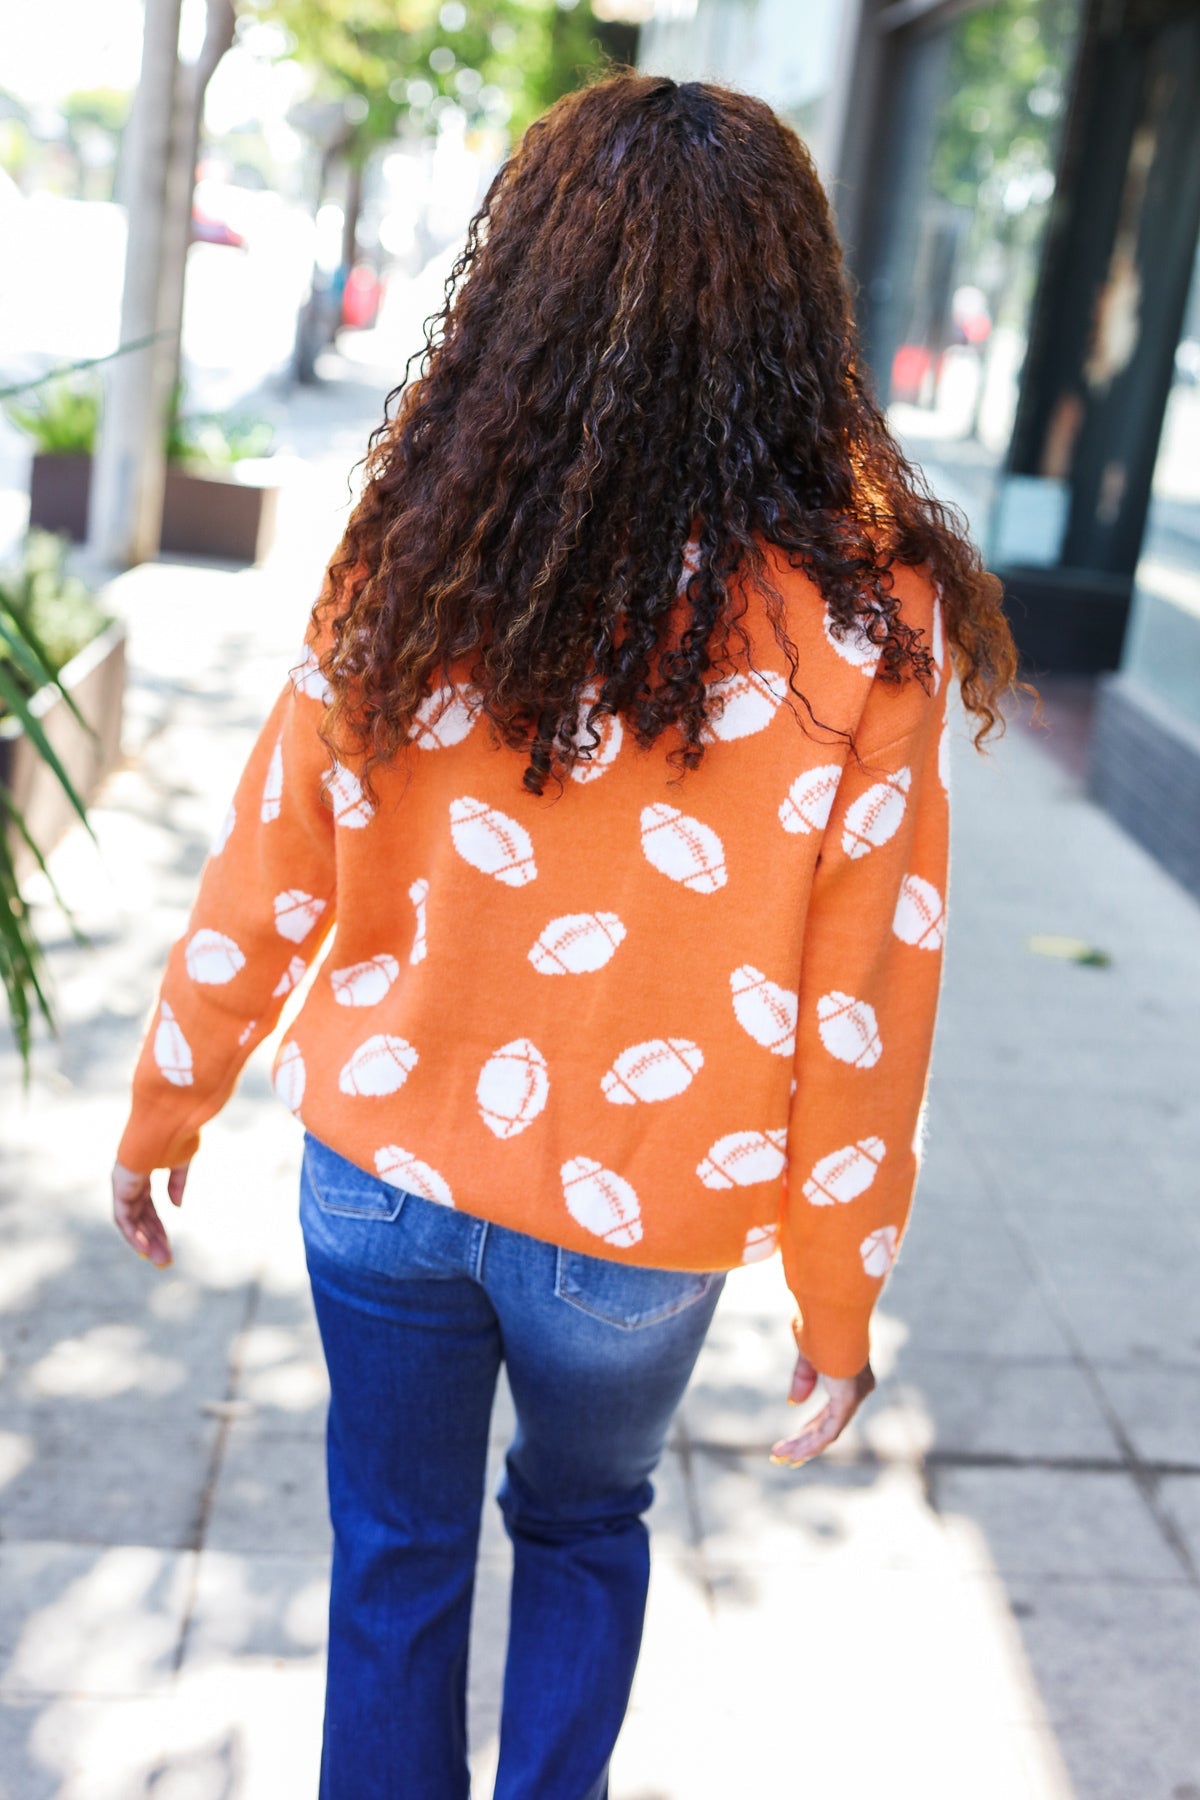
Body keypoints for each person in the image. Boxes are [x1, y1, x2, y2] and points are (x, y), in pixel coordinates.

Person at [111, 73, 1027, 1800]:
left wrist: (166, 1111)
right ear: (795, 308)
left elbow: (269, 871)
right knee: (589, 1525)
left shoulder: (415, 548)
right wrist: (841, 1301)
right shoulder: (868, 621)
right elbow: (867, 1012)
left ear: (519, 291)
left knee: (394, 1554)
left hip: (381, 1173)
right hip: (637, 1227)